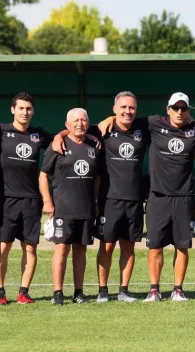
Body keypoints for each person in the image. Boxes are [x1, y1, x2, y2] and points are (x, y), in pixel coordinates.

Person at [98, 92, 195, 302]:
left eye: (184, 108)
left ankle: (177, 289)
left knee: (182, 246)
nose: (179, 112)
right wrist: (110, 118)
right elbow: (124, 120)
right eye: (175, 108)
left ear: (189, 111)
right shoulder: (153, 124)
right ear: (167, 109)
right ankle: (154, 290)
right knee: (155, 247)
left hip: (184, 196)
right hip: (158, 196)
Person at [52, 92, 148, 303]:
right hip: (109, 199)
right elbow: (74, 130)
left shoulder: (143, 128)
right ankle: (102, 290)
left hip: (134, 199)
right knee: (106, 246)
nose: (127, 111)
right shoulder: (101, 130)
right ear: (114, 109)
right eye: (123, 107)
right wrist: (58, 136)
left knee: (129, 246)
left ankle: (124, 290)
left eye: (131, 108)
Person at [39, 108, 101, 305]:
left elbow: (98, 176)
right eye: (75, 121)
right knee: (61, 249)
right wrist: (47, 201)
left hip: (86, 208)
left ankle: (78, 292)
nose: (79, 124)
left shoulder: (94, 145)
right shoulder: (58, 145)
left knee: (81, 250)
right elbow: (43, 175)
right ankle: (58, 292)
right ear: (67, 125)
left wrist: (96, 200)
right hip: (63, 208)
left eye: (83, 120)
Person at [0, 92, 53, 305]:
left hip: (31, 200)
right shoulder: (2, 131)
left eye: (28, 109)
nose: (25, 112)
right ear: (13, 109)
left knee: (30, 248)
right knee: (3, 247)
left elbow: (61, 139)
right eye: (21, 108)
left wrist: (59, 136)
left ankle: (24, 292)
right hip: (6, 200)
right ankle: (0, 291)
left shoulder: (38, 135)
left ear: (33, 111)